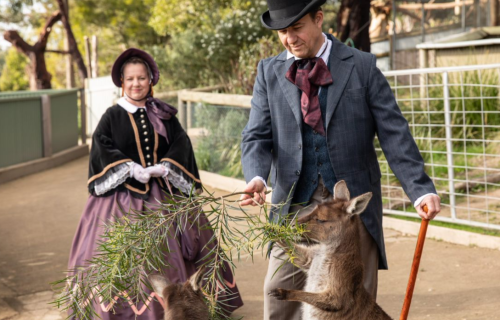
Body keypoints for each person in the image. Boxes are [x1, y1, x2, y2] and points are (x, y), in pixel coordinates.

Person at [239, 1, 441, 319]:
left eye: (296, 28)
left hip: (351, 214)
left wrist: (420, 189)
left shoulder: (361, 65)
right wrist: (257, 177)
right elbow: (257, 136)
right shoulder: (269, 71)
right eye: (282, 31)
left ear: (319, 19)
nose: (289, 38)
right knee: (277, 297)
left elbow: (394, 132)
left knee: (351, 307)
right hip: (294, 207)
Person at [68, 48, 243, 319]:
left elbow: (181, 142)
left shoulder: (164, 114)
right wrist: (129, 168)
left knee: (181, 249)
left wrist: (167, 165)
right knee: (125, 255)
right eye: (130, 79)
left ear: (151, 80)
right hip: (122, 199)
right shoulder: (112, 116)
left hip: (166, 195)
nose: (136, 84)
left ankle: (187, 308)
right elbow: (101, 146)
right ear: (122, 82)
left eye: (141, 78)